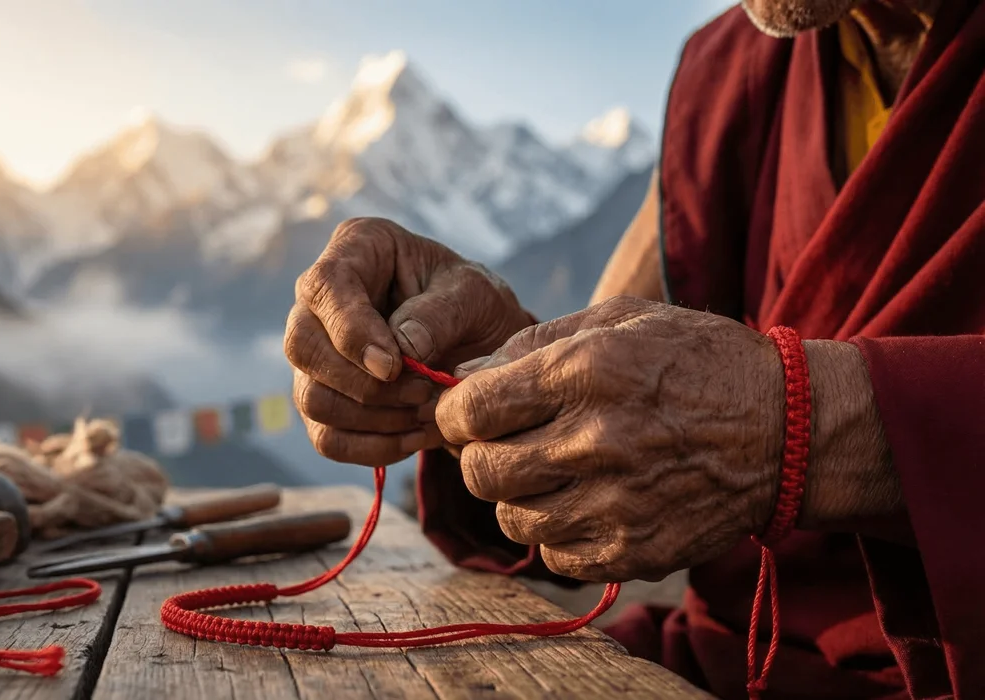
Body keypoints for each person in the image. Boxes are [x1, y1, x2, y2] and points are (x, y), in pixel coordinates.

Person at [284, 0, 983, 698]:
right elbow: (623, 394)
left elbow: (745, 413)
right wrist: (491, 370)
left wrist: (795, 421)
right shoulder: (732, 70)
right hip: (722, 665)